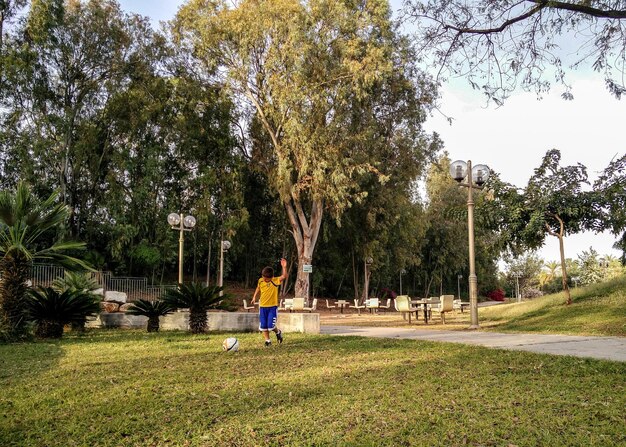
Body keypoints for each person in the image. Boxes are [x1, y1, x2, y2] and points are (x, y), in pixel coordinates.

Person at [251, 258, 287, 347]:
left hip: (272, 307)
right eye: (264, 278)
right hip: (262, 306)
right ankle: (268, 341)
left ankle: (278, 332)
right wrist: (254, 296)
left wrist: (284, 267)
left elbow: (284, 276)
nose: (265, 280)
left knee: (271, 326)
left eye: (267, 279)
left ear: (271, 277)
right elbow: (258, 288)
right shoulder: (260, 280)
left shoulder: (275, 281)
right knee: (263, 326)